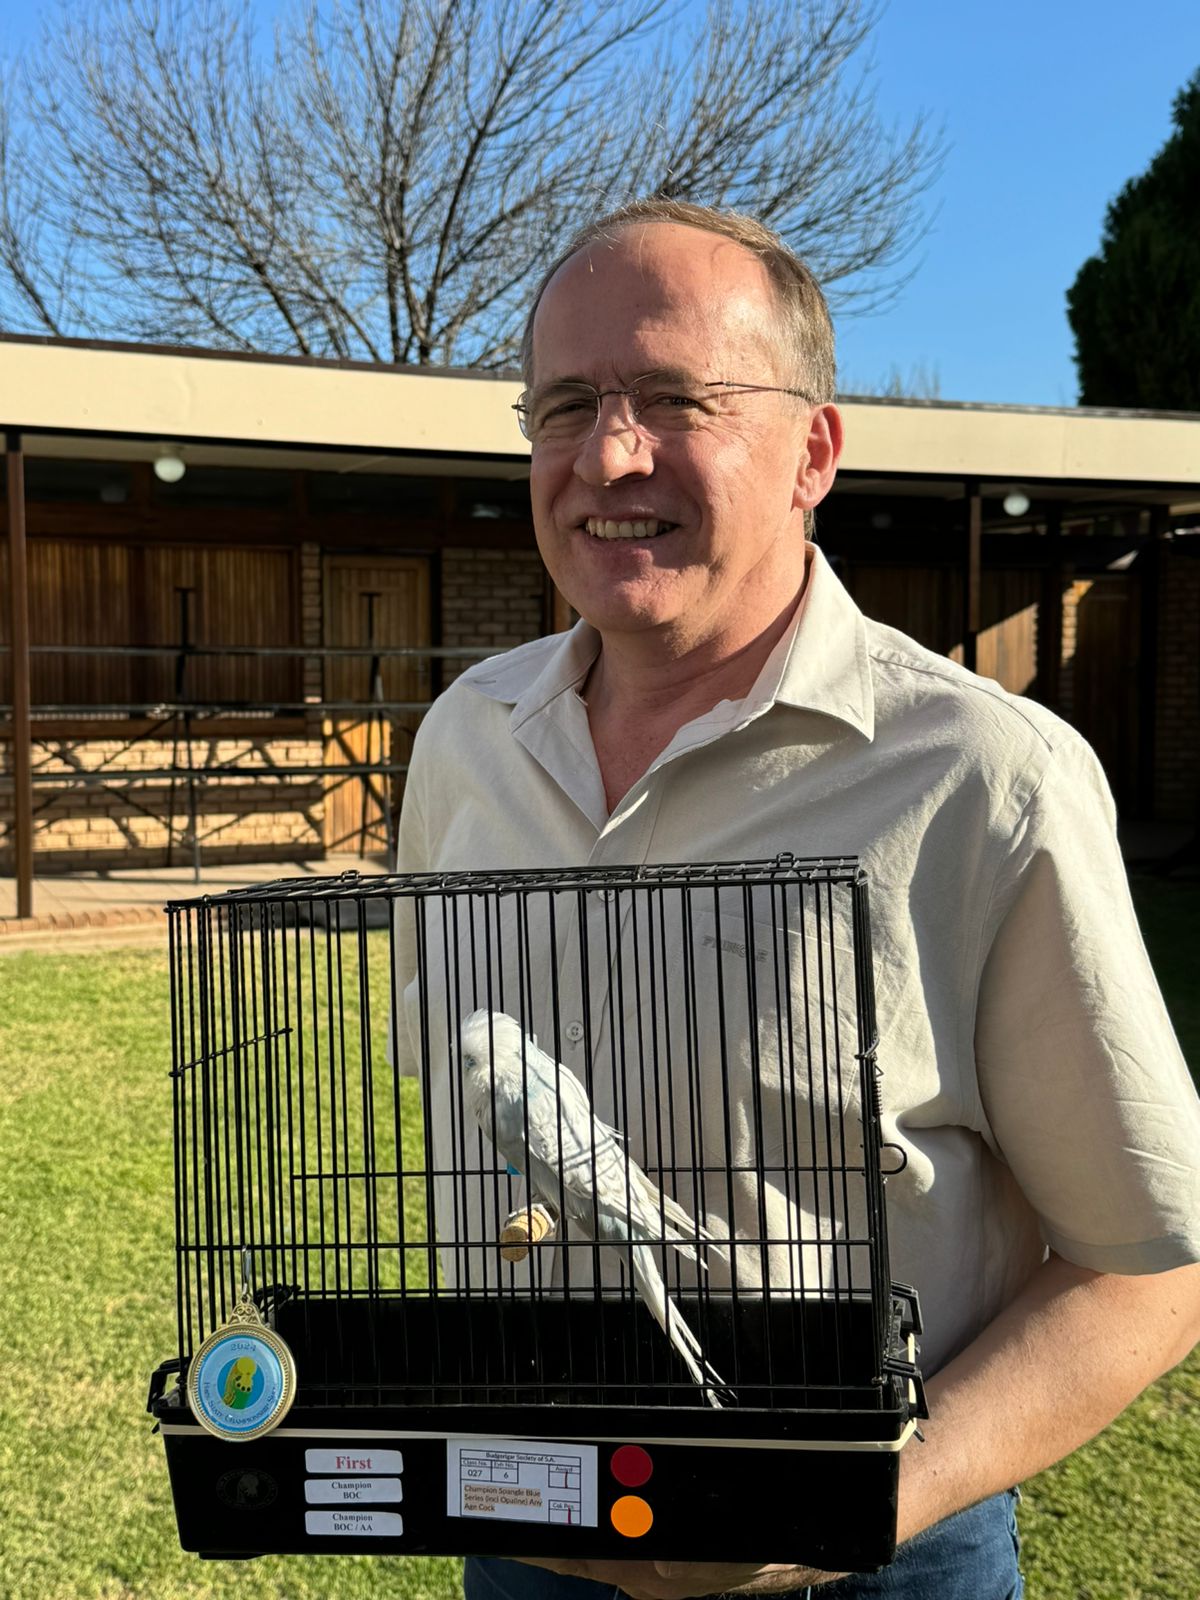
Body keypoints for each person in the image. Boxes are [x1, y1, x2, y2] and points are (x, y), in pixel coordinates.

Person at [393, 198, 1200, 1599]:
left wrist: (860, 1502)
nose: (608, 455)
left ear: (813, 451)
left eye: (675, 399)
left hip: (864, 1564)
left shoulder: (982, 776)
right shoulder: (465, 739)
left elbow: (1151, 1267)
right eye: (566, 405)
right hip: (526, 1541)